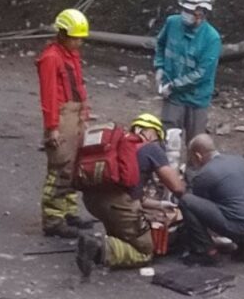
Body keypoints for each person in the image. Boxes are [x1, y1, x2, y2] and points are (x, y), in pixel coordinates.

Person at [76, 113, 185, 277]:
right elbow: (177, 187)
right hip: (118, 206)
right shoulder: (151, 148)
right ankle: (98, 247)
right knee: (145, 251)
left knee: (125, 234)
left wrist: (161, 205)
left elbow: (136, 195)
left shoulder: (119, 147)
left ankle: (110, 241)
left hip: (92, 202)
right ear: (151, 133)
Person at [36, 8, 92, 238]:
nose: (78, 42)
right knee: (59, 168)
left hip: (74, 114)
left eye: (80, 38)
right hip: (61, 116)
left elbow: (78, 86)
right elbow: (48, 96)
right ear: (62, 34)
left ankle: (68, 211)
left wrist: (84, 114)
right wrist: (52, 128)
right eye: (74, 38)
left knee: (73, 166)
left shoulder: (71, 55)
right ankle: (52, 218)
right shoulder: (51, 58)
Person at [179, 134, 244, 264]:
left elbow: (200, 208)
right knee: (237, 204)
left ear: (198, 156)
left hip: (240, 226)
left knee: (186, 201)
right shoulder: (239, 161)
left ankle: (207, 251)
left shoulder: (205, 174)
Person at [154, 0, 222, 141]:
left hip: (196, 99)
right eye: (184, 9)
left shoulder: (212, 38)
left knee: (196, 144)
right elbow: (160, 44)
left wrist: (172, 86)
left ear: (202, 13)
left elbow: (202, 74)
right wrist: (159, 67)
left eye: (190, 11)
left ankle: (193, 167)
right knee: (168, 140)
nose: (185, 14)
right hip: (173, 97)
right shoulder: (172, 23)